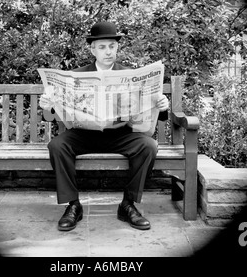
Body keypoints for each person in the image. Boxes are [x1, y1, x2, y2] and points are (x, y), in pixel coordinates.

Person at [39, 22, 169, 231]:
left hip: (120, 134)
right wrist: (47, 105)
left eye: (112, 46)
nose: (108, 51)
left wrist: (162, 106)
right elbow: (49, 116)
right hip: (83, 134)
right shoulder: (76, 75)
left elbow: (156, 114)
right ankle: (73, 205)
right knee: (57, 145)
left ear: (117, 47)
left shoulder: (131, 75)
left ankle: (128, 204)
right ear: (92, 49)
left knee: (149, 146)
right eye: (102, 47)